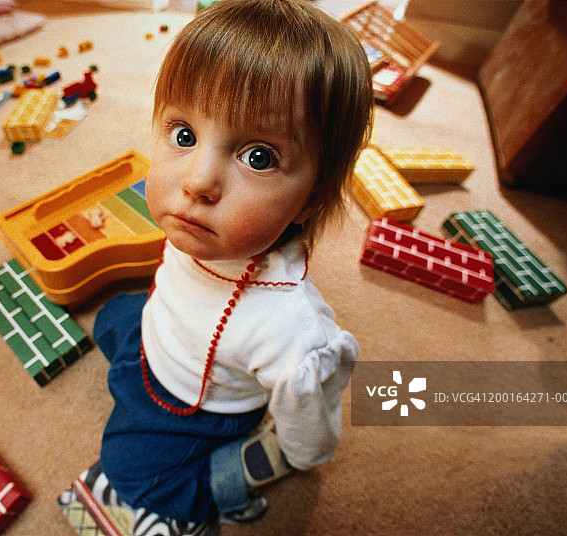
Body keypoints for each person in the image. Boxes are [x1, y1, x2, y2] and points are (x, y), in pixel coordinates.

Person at [93, 0, 373, 532]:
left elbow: (312, 430)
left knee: (131, 472)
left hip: (202, 409)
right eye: (183, 135)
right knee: (112, 317)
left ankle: (231, 475)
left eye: (258, 157)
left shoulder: (291, 331)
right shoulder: (205, 225)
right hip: (163, 332)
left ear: (311, 199)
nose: (197, 181)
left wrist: (298, 451)